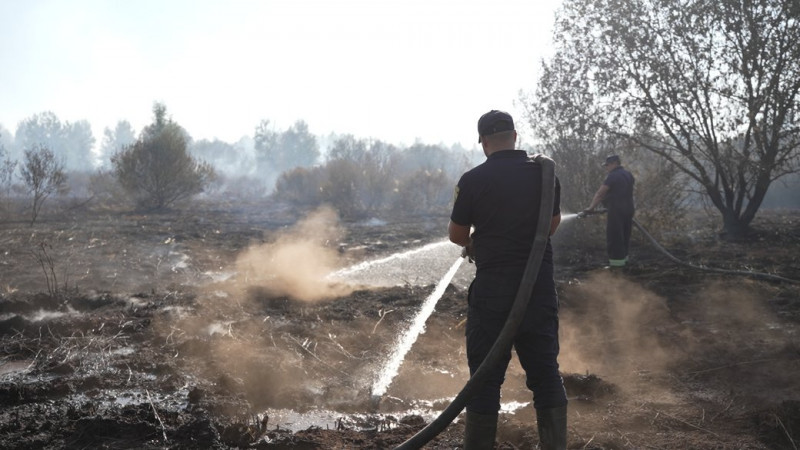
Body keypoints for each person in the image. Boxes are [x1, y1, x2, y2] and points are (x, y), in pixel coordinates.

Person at [448, 110, 567, 450]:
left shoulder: (472, 180)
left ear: (483, 142)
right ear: (515, 136)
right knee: (546, 377)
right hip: (538, 293)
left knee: (484, 383)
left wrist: (477, 243)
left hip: (492, 297)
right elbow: (550, 226)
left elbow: (457, 235)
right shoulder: (546, 174)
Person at [583, 154, 635, 267]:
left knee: (615, 237)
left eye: (607, 165)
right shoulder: (628, 174)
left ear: (614, 163)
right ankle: (624, 261)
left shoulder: (612, 176)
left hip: (616, 210)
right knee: (625, 235)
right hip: (629, 209)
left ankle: (616, 266)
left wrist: (591, 208)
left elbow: (600, 193)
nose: (606, 168)